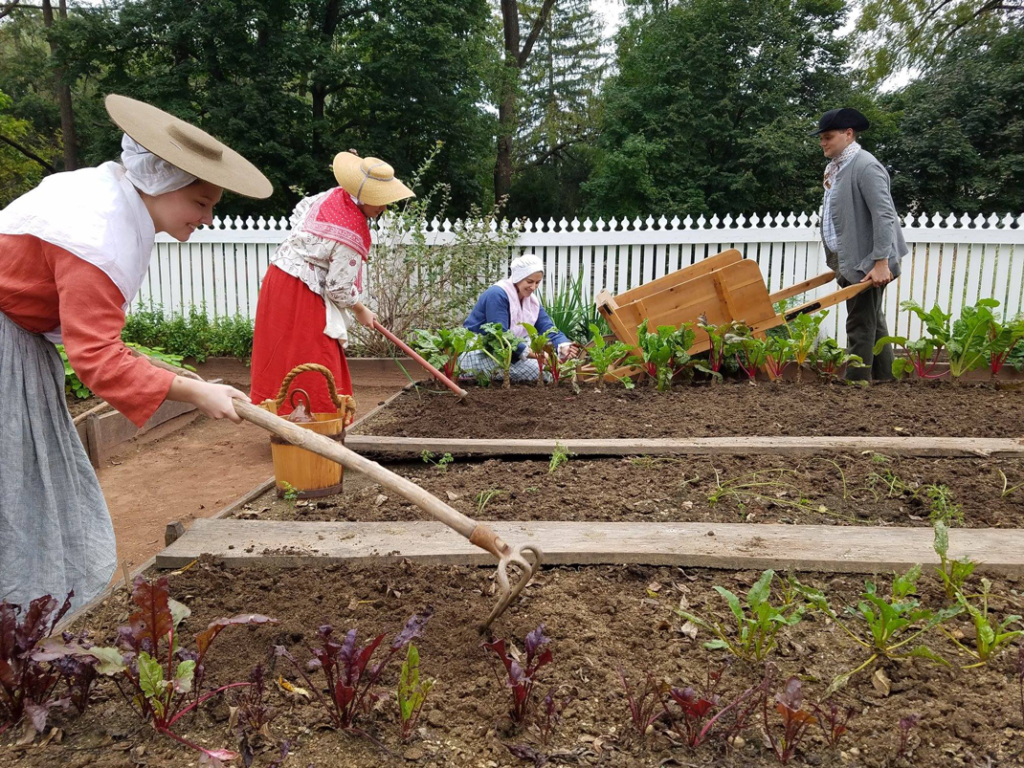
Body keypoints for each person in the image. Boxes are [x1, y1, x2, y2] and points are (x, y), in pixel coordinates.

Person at [0, 94, 272, 610]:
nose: (210, 218)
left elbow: (104, 343)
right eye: (202, 203)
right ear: (164, 183)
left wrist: (196, 385)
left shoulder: (109, 196)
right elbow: (98, 359)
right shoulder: (93, 235)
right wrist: (195, 392)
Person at [248, 152, 414, 413]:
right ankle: (316, 418)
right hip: (302, 290)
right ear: (361, 193)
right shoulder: (353, 228)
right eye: (378, 201)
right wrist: (360, 310)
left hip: (278, 277)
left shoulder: (334, 196)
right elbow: (337, 288)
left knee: (285, 352)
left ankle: (282, 415)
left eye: (386, 201)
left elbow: (299, 212)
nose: (382, 207)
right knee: (314, 353)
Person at [812, 107, 908, 382]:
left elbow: (884, 214)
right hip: (853, 258)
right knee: (872, 321)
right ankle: (886, 377)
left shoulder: (865, 166)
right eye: (821, 138)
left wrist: (880, 262)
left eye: (828, 136)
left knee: (859, 322)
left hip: (868, 262)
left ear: (848, 134)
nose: (823, 142)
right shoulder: (839, 167)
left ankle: (856, 381)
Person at [460, 252, 581, 383]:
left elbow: (547, 327)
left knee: (549, 369)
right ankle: (470, 375)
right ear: (518, 277)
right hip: (481, 352)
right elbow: (500, 335)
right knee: (545, 372)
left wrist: (563, 345)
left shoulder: (531, 301)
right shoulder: (497, 294)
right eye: (529, 281)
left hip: (509, 351)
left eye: (537, 282)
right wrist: (534, 354)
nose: (533, 287)